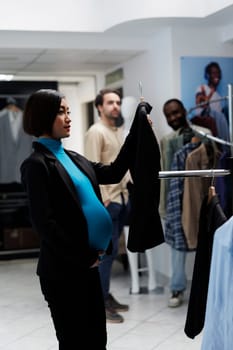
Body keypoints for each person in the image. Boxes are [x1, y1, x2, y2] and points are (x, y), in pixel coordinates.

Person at [20, 89, 156, 349]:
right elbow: (44, 224)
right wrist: (84, 256)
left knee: (96, 339)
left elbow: (115, 171)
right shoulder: (37, 164)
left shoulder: (73, 158)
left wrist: (138, 130)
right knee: (75, 342)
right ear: (42, 116)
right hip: (64, 271)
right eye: (61, 112)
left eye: (68, 111)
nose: (68, 117)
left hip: (88, 265)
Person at [160, 98, 213, 308]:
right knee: (177, 247)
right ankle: (177, 287)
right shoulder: (166, 140)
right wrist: (163, 205)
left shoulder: (204, 134)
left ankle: (209, 287)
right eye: (169, 115)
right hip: (175, 198)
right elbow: (163, 172)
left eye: (176, 112)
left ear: (183, 110)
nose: (173, 118)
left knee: (206, 244)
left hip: (199, 196)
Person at [84, 88, 130, 323]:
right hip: (108, 201)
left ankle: (105, 294)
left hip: (121, 199)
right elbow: (91, 168)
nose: (115, 106)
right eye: (110, 102)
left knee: (112, 253)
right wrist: (102, 200)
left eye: (118, 102)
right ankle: (99, 301)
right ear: (100, 107)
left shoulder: (116, 131)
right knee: (105, 255)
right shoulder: (96, 131)